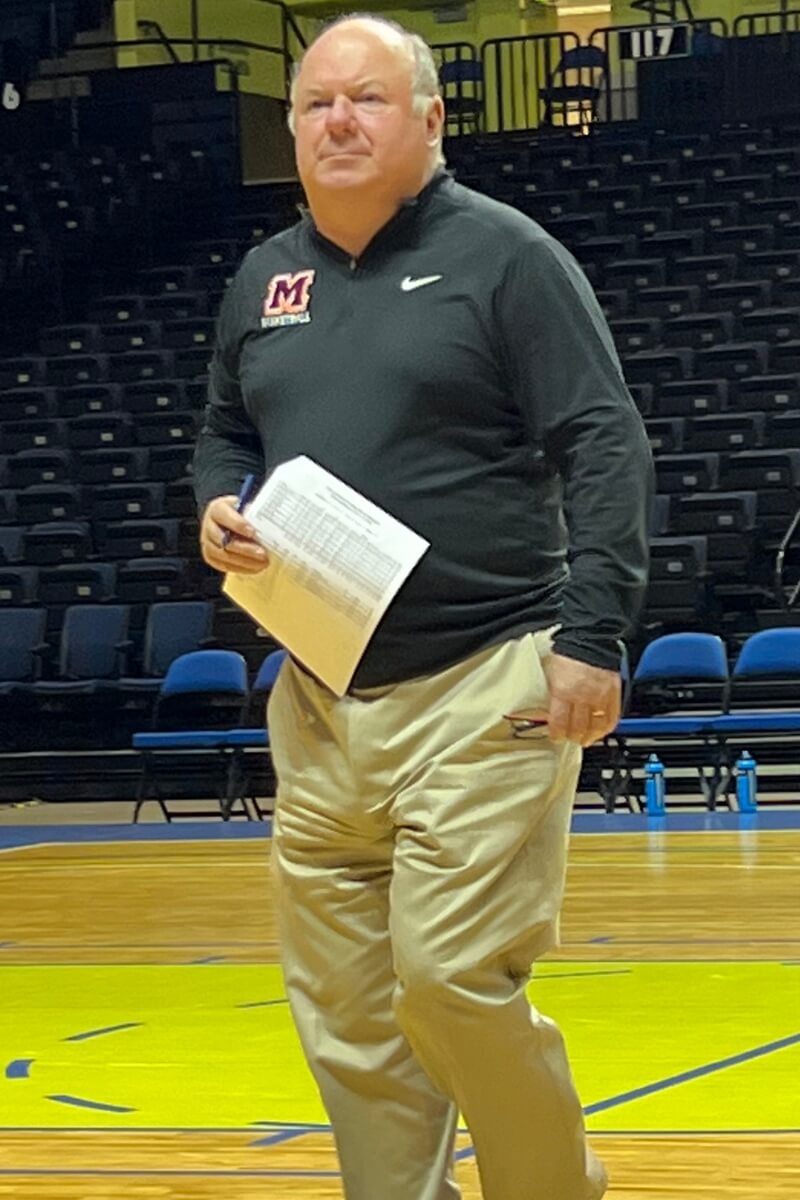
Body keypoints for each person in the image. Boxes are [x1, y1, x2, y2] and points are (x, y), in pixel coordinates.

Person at [194, 14, 653, 1200]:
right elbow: (223, 431)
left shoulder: (505, 256)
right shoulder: (265, 278)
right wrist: (213, 507)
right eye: (314, 104)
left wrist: (593, 637)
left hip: (484, 680)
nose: (336, 122)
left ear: (431, 119)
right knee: (346, 1013)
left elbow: (603, 441)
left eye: (367, 100)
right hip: (316, 695)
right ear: (289, 125)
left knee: (448, 977)